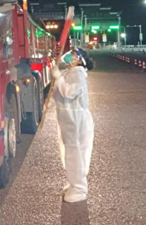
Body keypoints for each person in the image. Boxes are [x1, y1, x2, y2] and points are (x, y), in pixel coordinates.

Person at [52, 48, 94, 203]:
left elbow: (69, 92)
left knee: (75, 153)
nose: (70, 56)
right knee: (69, 152)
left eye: (74, 55)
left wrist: (58, 76)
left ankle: (79, 189)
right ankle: (73, 182)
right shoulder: (70, 73)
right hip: (68, 119)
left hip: (76, 120)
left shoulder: (78, 73)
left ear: (79, 60)